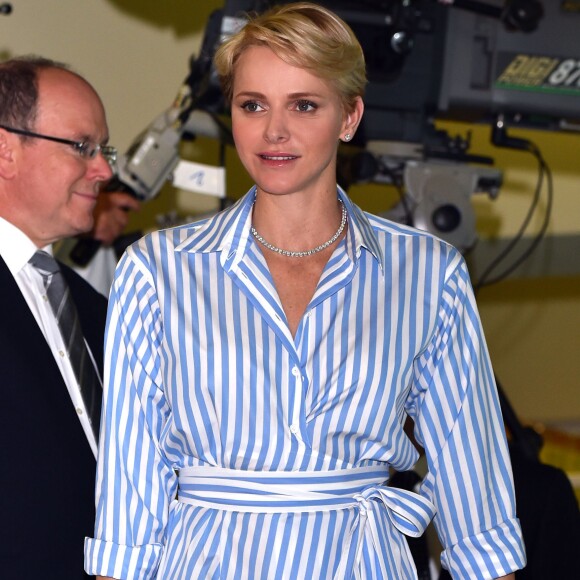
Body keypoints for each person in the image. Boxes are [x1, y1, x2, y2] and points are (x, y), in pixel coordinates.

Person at [86, 3, 526, 579]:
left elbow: (477, 498)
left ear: (349, 117)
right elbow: (129, 495)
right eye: (252, 105)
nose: (274, 131)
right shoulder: (157, 270)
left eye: (304, 105)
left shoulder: (427, 271)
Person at [0, 55, 132, 579]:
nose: (104, 169)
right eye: (83, 147)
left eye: (105, 150)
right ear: (5, 150)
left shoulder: (93, 306)